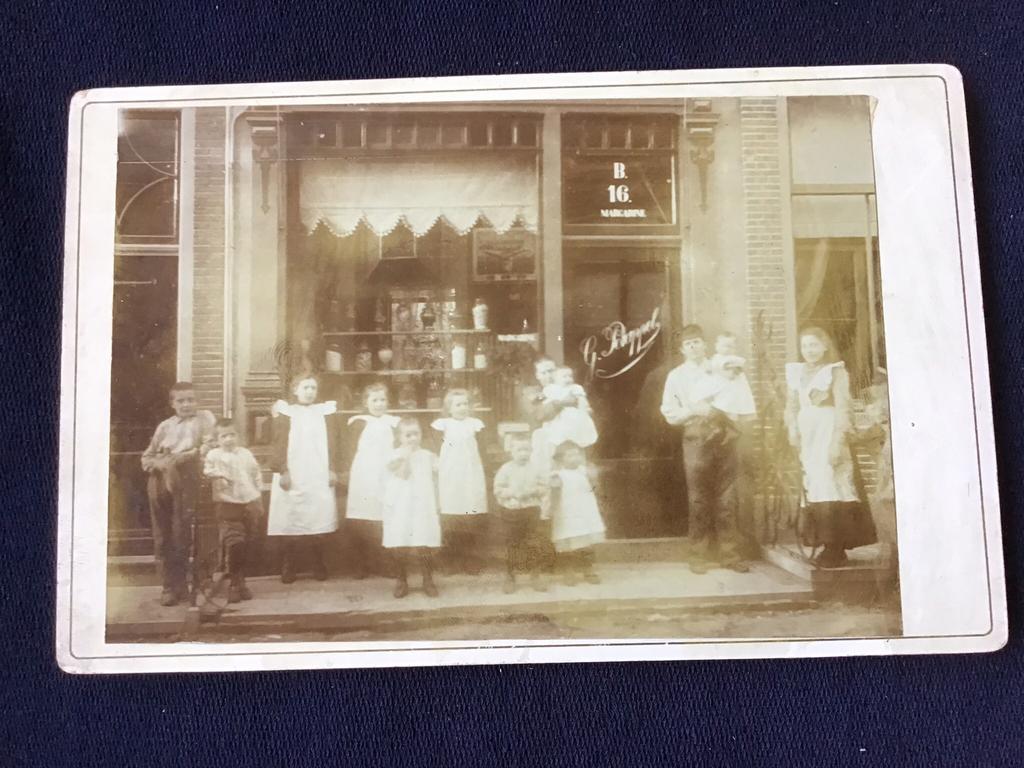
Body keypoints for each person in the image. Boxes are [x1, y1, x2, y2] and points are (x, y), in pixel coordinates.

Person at [784, 327, 877, 568]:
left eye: (814, 345)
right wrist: (792, 429)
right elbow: (792, 405)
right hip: (808, 435)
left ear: (825, 346)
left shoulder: (835, 372)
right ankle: (821, 541)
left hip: (828, 430)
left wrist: (837, 442)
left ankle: (835, 547)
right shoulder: (796, 372)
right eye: (805, 346)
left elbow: (843, 408)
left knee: (830, 480)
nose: (809, 351)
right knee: (813, 483)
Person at [660, 324, 749, 574]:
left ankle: (730, 555)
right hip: (696, 435)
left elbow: (740, 394)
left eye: (697, 341)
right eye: (688, 344)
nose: (693, 346)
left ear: (705, 345)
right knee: (698, 498)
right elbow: (668, 411)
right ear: (682, 350)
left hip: (725, 433)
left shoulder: (723, 367)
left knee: (727, 496)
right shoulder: (676, 376)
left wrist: (728, 415)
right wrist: (692, 411)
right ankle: (698, 555)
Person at [140, 382, 217, 606]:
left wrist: (186, 456)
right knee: (162, 535)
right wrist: (160, 464)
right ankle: (168, 586)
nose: (186, 404)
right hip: (160, 478)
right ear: (172, 404)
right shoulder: (165, 426)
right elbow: (147, 456)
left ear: (198, 401)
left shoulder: (205, 419)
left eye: (191, 399)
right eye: (180, 401)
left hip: (187, 477)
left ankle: (185, 584)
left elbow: (208, 445)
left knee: (181, 532)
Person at [268, 374, 342, 583]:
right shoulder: (286, 412)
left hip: (318, 472)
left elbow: (333, 443)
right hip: (294, 472)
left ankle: (318, 563)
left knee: (318, 518)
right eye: (305, 387)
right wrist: (282, 470)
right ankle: (288, 564)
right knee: (290, 518)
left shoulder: (324, 412)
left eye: (313, 387)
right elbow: (279, 442)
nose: (310, 391)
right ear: (295, 390)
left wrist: (332, 469)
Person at [202, 418, 264, 603]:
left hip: (249, 502)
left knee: (247, 543)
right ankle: (234, 584)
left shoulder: (245, 453)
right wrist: (219, 475)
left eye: (232, 435)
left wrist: (258, 496)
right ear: (217, 439)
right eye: (224, 436)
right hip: (227, 504)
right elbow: (207, 471)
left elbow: (255, 473)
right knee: (234, 542)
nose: (229, 439)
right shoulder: (214, 455)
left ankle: (240, 580)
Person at [345, 383, 400, 578]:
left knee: (385, 520)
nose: (378, 404)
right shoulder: (358, 422)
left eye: (382, 400)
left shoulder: (394, 423)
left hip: (387, 476)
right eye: (374, 400)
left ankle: (386, 563)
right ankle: (361, 563)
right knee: (362, 520)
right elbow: (349, 451)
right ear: (365, 402)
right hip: (363, 476)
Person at [382, 418, 442, 598]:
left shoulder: (428, 455)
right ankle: (401, 580)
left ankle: (427, 579)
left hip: (423, 504)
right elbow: (403, 474)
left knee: (424, 542)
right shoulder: (394, 456)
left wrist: (438, 501)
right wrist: (407, 455)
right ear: (399, 437)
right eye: (408, 435)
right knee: (401, 542)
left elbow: (439, 477)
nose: (413, 438)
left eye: (416, 434)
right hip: (402, 505)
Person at [432, 389, 488, 574]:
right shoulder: (442, 425)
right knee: (451, 518)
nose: (462, 408)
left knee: (470, 517)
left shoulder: (475, 425)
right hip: (450, 476)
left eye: (465, 404)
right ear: (449, 408)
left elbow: (483, 451)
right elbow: (434, 451)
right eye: (458, 404)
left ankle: (469, 558)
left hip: (471, 475)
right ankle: (450, 560)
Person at [493, 432, 548, 593]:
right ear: (511, 451)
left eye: (527, 450)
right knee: (512, 544)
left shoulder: (536, 468)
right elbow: (498, 489)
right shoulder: (506, 469)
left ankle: (535, 576)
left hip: (531, 510)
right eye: (519, 450)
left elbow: (544, 488)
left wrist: (532, 491)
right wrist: (512, 493)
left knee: (533, 543)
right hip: (512, 512)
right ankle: (510, 576)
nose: (523, 454)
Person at [548, 441, 606, 585]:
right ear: (561, 459)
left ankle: (588, 569)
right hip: (567, 512)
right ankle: (568, 571)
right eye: (570, 455)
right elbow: (554, 495)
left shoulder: (584, 471)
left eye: (577, 454)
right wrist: (552, 509)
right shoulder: (558, 475)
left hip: (585, 511)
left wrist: (594, 478)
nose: (575, 458)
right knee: (568, 542)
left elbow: (594, 488)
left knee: (586, 542)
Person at [542, 366, 598, 449]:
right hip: (559, 415)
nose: (568, 379)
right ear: (555, 379)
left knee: (578, 432)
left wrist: (585, 408)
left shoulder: (575, 388)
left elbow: (582, 400)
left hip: (574, 415)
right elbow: (548, 402)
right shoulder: (551, 389)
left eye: (570, 376)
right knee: (558, 434)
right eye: (564, 377)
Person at [707, 332, 757, 420]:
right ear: (716, 346)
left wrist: (718, 370)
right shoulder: (716, 359)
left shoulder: (733, 359)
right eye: (724, 346)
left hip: (735, 390)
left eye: (730, 346)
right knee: (723, 411)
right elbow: (711, 370)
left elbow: (732, 373)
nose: (727, 349)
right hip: (723, 391)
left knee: (733, 412)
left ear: (735, 349)